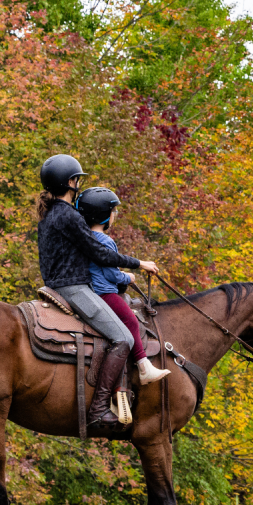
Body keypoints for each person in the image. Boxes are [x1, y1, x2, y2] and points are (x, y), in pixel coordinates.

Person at [35, 154, 160, 436]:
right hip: (73, 288)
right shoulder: (68, 215)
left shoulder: (50, 215)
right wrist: (140, 264)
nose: (78, 184)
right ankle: (99, 409)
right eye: (77, 179)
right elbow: (100, 253)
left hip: (57, 283)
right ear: (70, 182)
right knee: (124, 337)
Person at [77, 186, 170, 388]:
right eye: (113, 211)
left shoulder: (84, 239)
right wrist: (128, 277)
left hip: (89, 292)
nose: (115, 215)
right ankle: (144, 367)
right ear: (104, 215)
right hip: (105, 294)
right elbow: (111, 274)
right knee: (131, 322)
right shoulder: (105, 241)